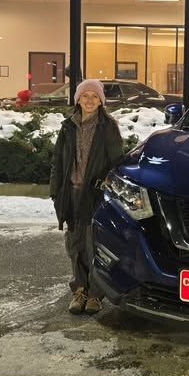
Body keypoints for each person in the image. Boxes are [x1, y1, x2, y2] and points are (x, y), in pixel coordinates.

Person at [49, 79, 124, 315]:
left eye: (94, 96)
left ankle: (95, 294)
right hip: (71, 193)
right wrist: (55, 191)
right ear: (78, 99)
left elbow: (116, 163)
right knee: (75, 244)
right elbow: (58, 163)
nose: (89, 100)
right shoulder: (68, 127)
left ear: (101, 101)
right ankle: (79, 289)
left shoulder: (108, 127)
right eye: (85, 96)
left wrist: (107, 189)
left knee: (94, 245)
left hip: (95, 195)